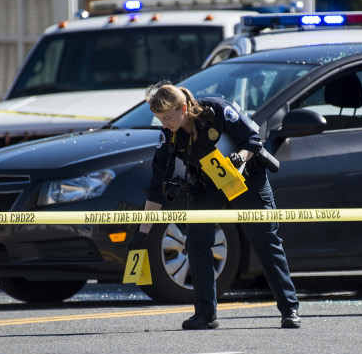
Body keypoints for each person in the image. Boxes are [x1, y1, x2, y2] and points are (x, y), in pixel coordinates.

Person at [127, 83, 301, 330]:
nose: (164, 124)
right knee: (196, 242)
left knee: (265, 240)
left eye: (167, 117)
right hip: (208, 186)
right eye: (159, 119)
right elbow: (157, 187)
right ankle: (205, 314)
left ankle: (289, 309)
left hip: (247, 178)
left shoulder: (217, 110)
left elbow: (253, 141)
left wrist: (239, 158)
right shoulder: (169, 135)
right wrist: (143, 232)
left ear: (184, 108)